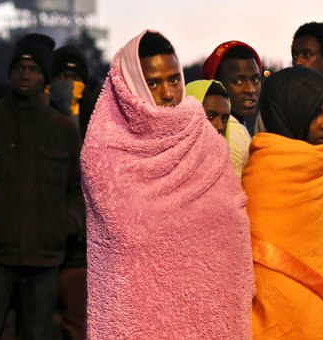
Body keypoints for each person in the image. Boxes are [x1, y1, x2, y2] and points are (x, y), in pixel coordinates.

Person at [82, 30, 254, 339]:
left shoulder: (205, 140)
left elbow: (232, 226)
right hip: (136, 317)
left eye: (174, 80)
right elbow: (125, 237)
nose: (167, 93)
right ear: (130, 85)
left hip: (210, 314)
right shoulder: (103, 152)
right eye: (154, 82)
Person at [0, 33, 84, 339]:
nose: (26, 73)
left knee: (35, 334)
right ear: (10, 71)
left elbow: (78, 189)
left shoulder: (62, 131)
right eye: (20, 66)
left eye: (34, 68)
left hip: (44, 260)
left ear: (45, 76)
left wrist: (66, 225)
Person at [243, 67, 323, 340]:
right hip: (277, 312)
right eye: (316, 113)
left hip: (320, 309)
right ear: (291, 112)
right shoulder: (265, 171)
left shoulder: (316, 163)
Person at [49, 44, 89, 339]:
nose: (69, 83)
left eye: (75, 76)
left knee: (77, 325)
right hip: (45, 246)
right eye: (63, 75)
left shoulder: (98, 125)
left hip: (81, 252)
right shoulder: (41, 121)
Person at [202, 41, 262, 178]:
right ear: (216, 83)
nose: (251, 89)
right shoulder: (231, 131)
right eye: (238, 81)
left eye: (256, 80)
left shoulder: (239, 125)